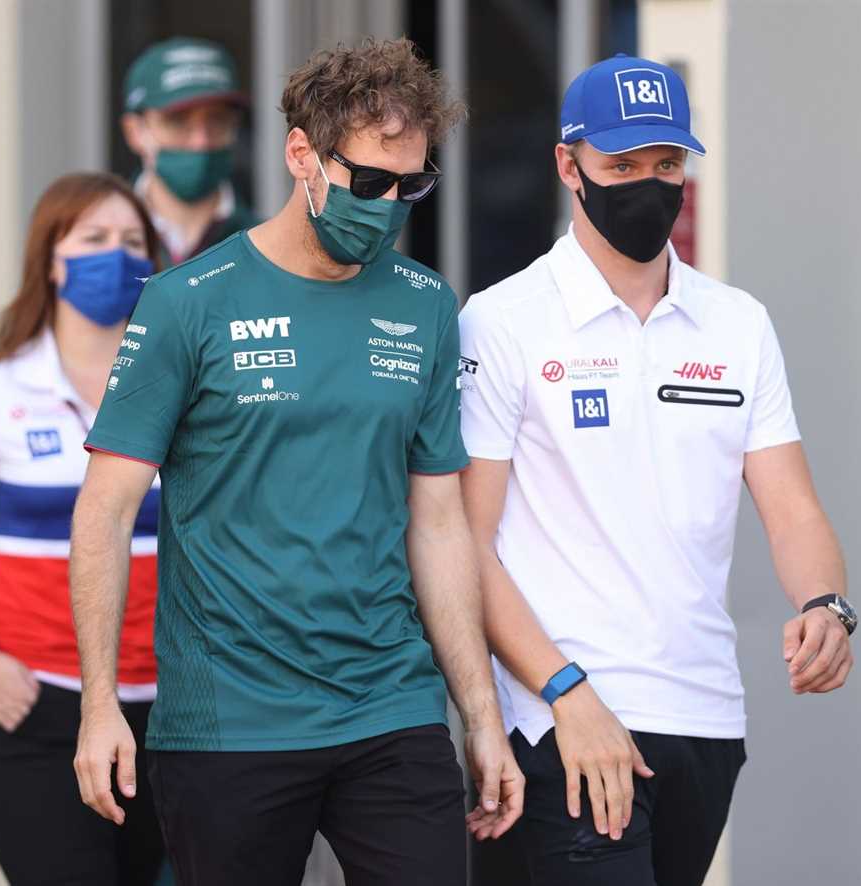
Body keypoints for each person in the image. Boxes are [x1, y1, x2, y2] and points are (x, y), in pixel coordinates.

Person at [70, 37, 524, 886]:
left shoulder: (426, 307)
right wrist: (101, 707)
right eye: (370, 182)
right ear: (301, 156)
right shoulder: (184, 305)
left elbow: (439, 525)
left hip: (392, 704)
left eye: (411, 186)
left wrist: (482, 716)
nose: (389, 207)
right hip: (231, 722)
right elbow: (104, 507)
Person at [459, 55, 858, 886]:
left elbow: (793, 511)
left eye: (666, 165)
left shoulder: (737, 323)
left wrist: (825, 604)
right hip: (563, 720)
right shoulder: (501, 323)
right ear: (568, 166)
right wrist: (565, 693)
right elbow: (467, 543)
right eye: (622, 167)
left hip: (705, 716)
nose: (649, 184)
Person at [0, 173, 167, 885]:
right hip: (30, 709)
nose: (116, 254)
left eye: (132, 241)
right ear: (51, 258)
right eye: (94, 239)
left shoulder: (183, 391)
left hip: (172, 716)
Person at [121, 37, 257, 267]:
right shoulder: (102, 244)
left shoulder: (266, 247)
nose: (200, 141)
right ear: (134, 132)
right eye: (177, 121)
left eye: (218, 120)